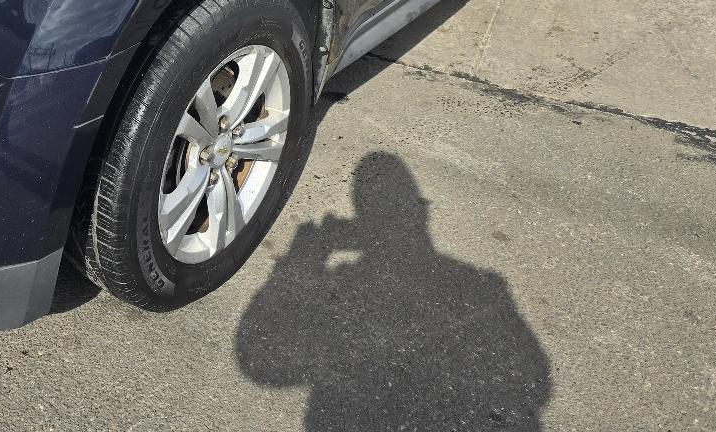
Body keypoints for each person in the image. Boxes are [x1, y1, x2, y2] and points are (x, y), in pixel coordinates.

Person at [236, 152, 551, 431]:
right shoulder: (484, 284)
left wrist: (300, 258)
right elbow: (536, 382)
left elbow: (257, 363)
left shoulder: (483, 286)